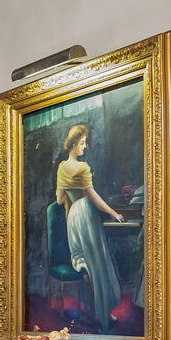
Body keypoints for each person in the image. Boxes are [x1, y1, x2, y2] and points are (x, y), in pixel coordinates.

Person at [55, 124, 124, 328]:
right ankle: (102, 313)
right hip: (86, 214)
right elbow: (94, 198)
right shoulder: (83, 168)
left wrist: (69, 192)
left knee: (90, 265)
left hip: (73, 218)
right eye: (83, 143)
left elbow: (59, 200)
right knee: (98, 262)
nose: (85, 147)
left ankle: (95, 308)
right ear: (74, 144)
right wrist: (113, 212)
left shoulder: (61, 167)